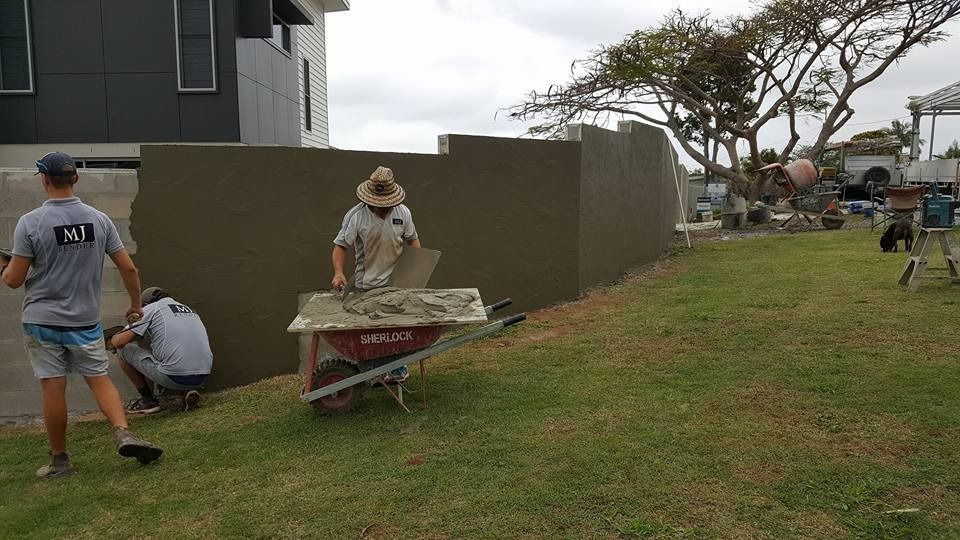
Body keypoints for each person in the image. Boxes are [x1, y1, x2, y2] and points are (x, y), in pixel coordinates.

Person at [0, 152, 163, 478]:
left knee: (53, 386)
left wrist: (4, 268)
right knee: (99, 379)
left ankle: (60, 462)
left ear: (44, 179)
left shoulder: (30, 223)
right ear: (75, 179)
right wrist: (135, 304)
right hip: (85, 321)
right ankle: (123, 433)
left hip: (42, 322)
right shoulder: (99, 220)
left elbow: (14, 279)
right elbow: (128, 267)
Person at [331, 165, 421, 381]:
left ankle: (395, 368)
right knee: (373, 334)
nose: (381, 208)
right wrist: (338, 273)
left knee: (397, 330)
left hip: (396, 283)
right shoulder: (356, 216)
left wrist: (416, 268)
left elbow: (412, 240)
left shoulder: (403, 213)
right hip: (367, 284)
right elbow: (341, 246)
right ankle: (373, 370)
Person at [106, 287, 213, 414]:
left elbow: (120, 342)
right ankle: (187, 391)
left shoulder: (151, 309)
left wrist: (110, 340)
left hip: (175, 377)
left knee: (122, 351)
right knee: (171, 351)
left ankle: (148, 401)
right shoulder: (189, 310)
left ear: (145, 304)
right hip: (203, 374)